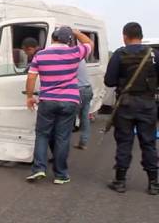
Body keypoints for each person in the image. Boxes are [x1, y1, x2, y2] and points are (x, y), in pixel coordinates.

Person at [25, 27, 93, 184]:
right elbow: (89, 43)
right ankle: (61, 175)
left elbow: (31, 77)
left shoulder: (40, 55)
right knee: (62, 137)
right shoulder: (75, 52)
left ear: (52, 38)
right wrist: (75, 32)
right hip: (70, 101)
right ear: (69, 40)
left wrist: (29, 96)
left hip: (47, 100)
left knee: (42, 135)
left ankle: (39, 169)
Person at [104, 22, 159, 195]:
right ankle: (154, 184)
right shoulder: (154, 55)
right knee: (149, 143)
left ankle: (120, 182)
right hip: (148, 104)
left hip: (125, 105)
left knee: (124, 142)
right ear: (141, 36)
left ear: (125, 36)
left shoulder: (119, 54)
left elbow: (109, 81)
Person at [73, 60, 93, 150]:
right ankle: (83, 142)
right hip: (87, 89)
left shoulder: (69, 59)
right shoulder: (82, 59)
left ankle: (60, 147)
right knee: (85, 117)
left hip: (77, 90)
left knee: (67, 118)